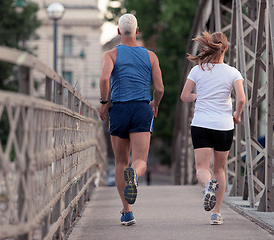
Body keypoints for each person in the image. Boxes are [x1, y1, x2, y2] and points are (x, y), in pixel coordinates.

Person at [99, 13, 164, 226]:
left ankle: (127, 211)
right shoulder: (151, 56)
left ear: (118, 32)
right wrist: (154, 103)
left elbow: (105, 78)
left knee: (120, 162)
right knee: (140, 161)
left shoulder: (111, 54)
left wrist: (103, 102)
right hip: (141, 109)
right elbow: (160, 88)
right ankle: (134, 175)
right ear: (137, 31)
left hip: (118, 110)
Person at [180, 31, 245, 225]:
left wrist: (197, 97)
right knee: (220, 169)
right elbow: (241, 99)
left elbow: (184, 96)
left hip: (201, 124)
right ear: (225, 48)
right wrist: (237, 115)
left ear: (209, 47)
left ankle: (208, 185)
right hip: (224, 125)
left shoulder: (197, 70)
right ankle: (216, 214)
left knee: (202, 168)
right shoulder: (233, 72)